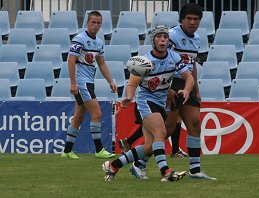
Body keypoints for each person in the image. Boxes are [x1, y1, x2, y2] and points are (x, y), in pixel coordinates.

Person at [130, 2, 216, 180]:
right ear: (182, 20)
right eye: (189, 19)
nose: (192, 22)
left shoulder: (198, 39)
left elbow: (191, 66)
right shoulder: (171, 36)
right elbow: (161, 61)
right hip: (169, 85)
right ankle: (139, 164)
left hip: (187, 86)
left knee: (194, 124)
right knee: (166, 130)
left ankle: (195, 170)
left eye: (196, 19)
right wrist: (168, 89)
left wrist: (195, 89)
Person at [102, 25, 195, 182]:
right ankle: (165, 171)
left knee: (149, 146)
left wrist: (186, 90)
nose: (163, 40)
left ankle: (113, 165)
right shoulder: (144, 61)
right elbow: (132, 84)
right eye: (159, 37)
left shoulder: (174, 57)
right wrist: (129, 97)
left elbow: (190, 78)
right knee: (161, 132)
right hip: (146, 101)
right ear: (153, 41)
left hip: (161, 102)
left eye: (165, 37)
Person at [61, 10, 117, 159]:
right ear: (88, 22)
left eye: (99, 23)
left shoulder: (99, 42)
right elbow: (71, 60)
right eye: (93, 22)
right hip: (81, 82)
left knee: (78, 117)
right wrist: (73, 83)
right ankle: (99, 150)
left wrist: (110, 81)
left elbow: (102, 64)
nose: (96, 25)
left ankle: (66, 151)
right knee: (97, 114)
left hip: (88, 82)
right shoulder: (79, 39)